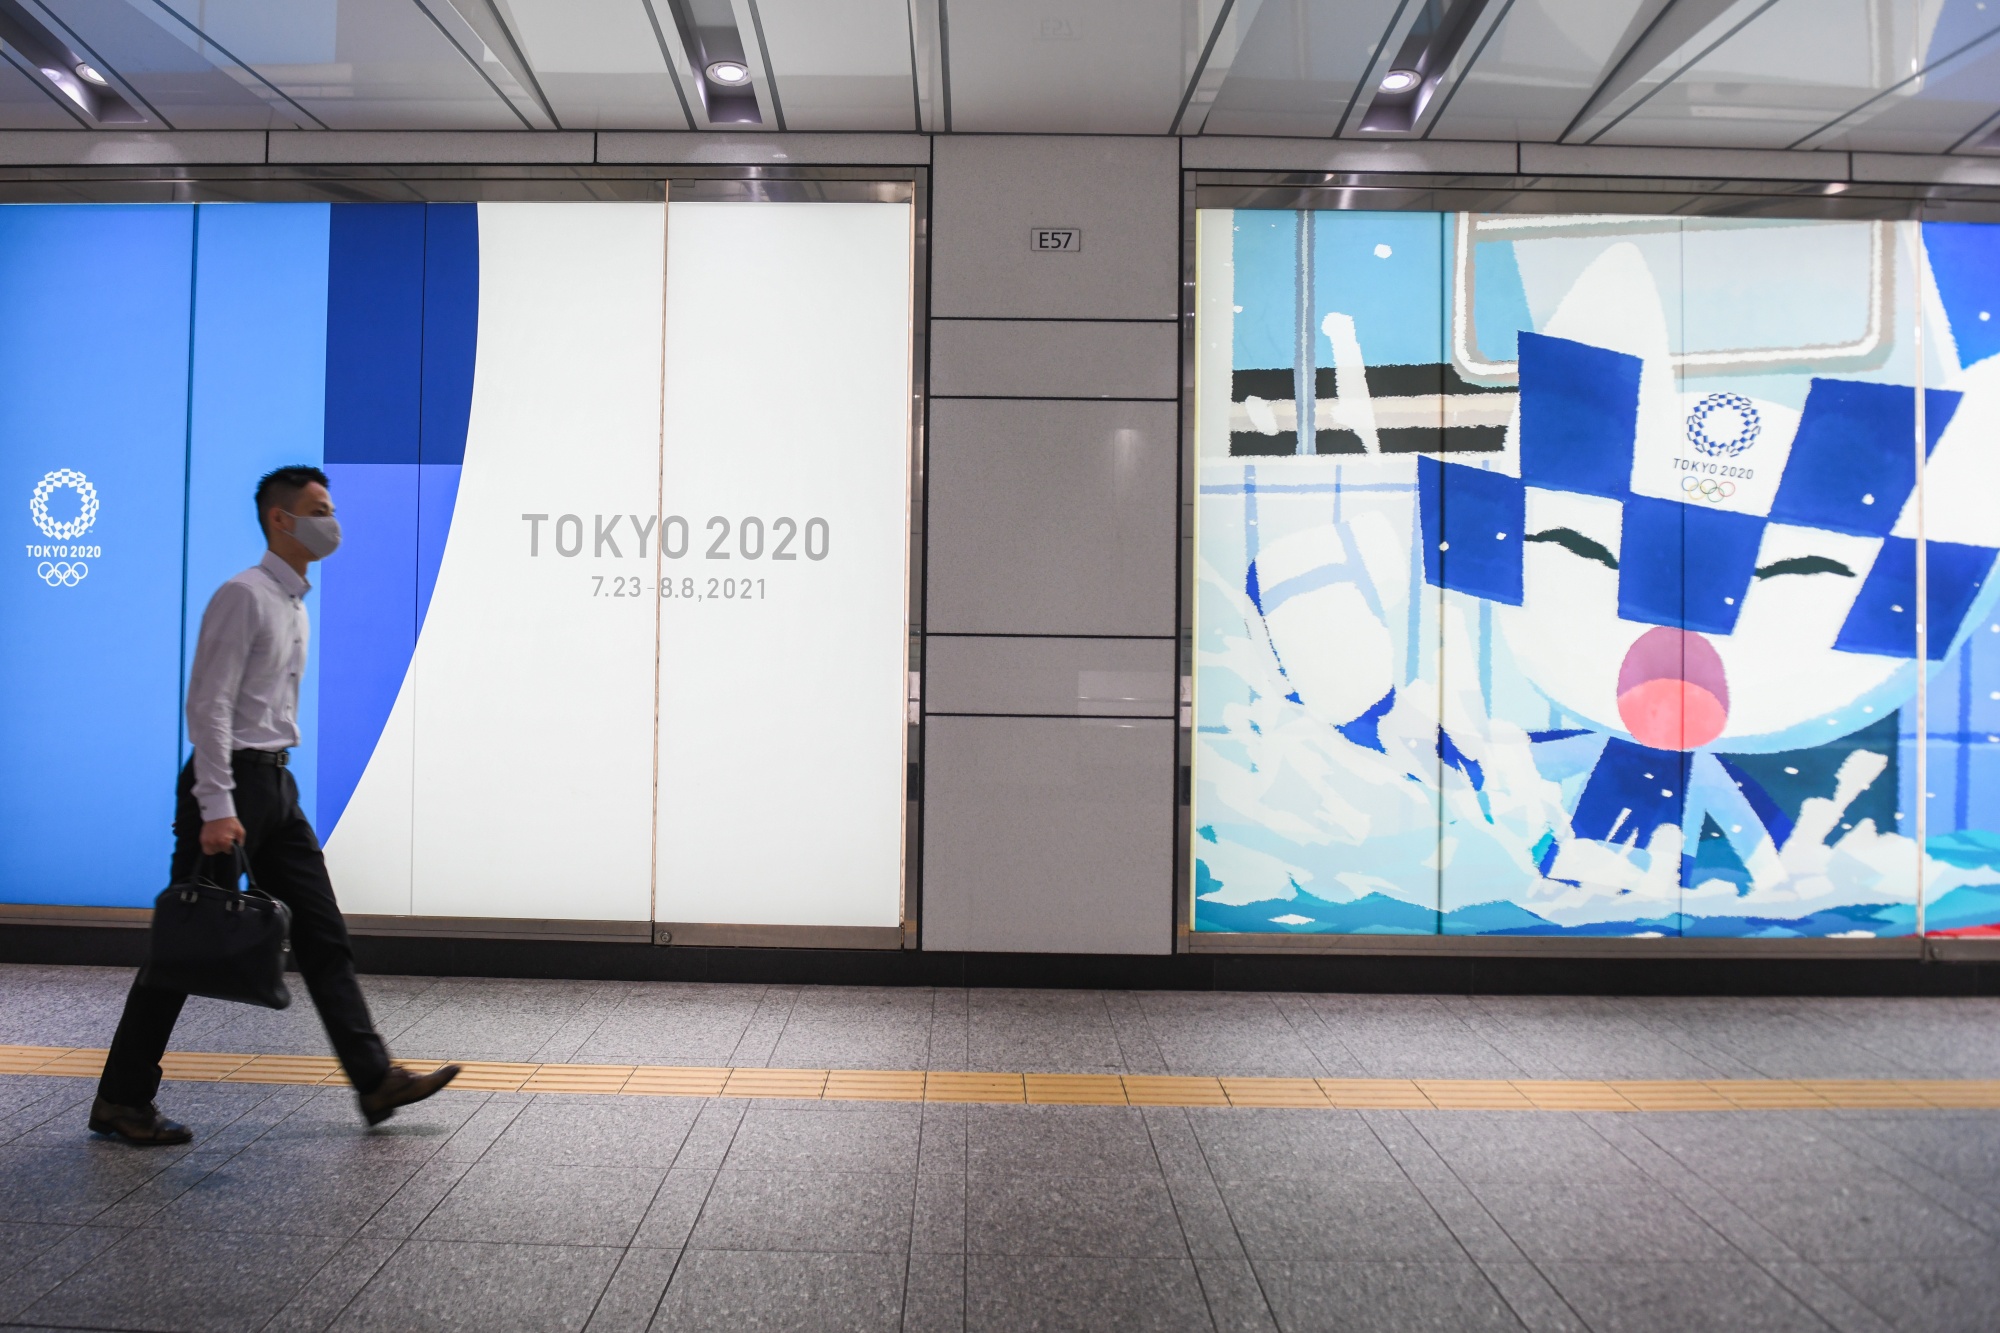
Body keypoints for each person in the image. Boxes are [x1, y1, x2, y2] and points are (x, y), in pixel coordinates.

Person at [90, 466, 459, 1145]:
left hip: (274, 788)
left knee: (323, 932)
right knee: (185, 946)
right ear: (280, 520)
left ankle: (374, 1078)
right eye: (320, 508)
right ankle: (121, 1098)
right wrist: (217, 805)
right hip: (229, 785)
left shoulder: (293, 602)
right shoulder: (244, 595)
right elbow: (209, 706)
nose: (333, 520)